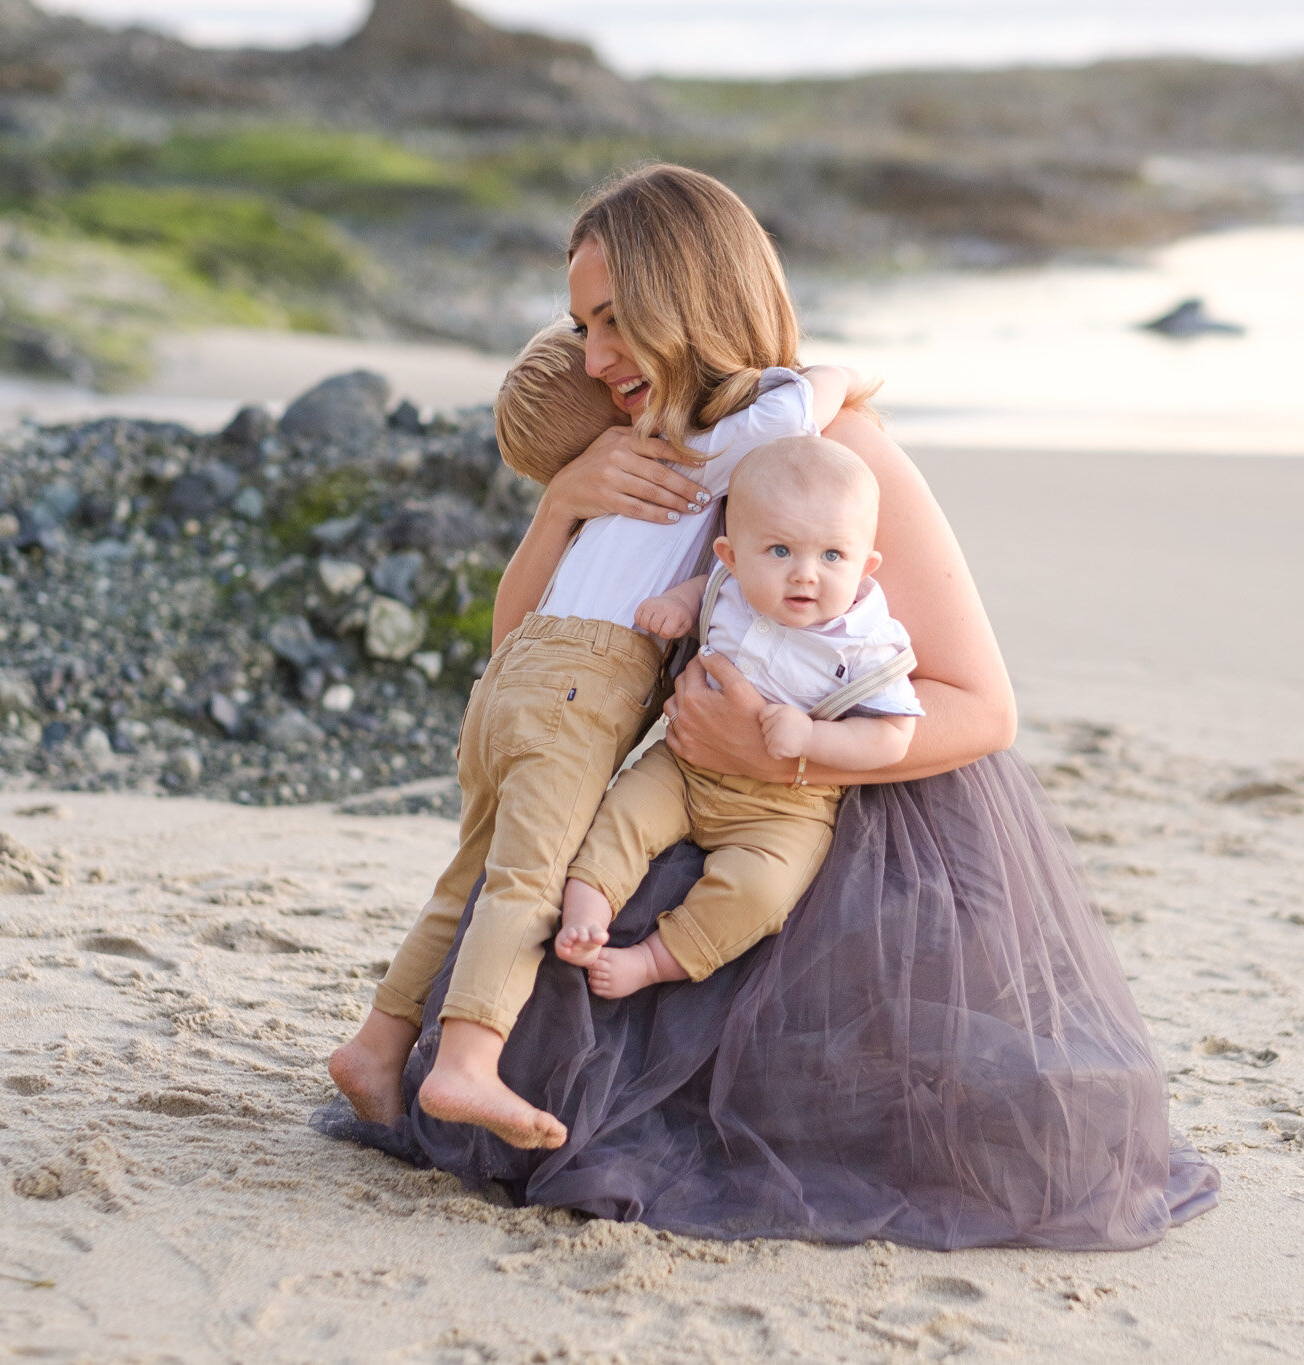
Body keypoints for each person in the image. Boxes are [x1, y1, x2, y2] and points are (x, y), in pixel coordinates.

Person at [317, 163, 1220, 1251]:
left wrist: (788, 752)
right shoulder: (650, 449)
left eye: (613, 324)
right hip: (693, 783)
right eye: (577, 327)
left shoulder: (837, 454)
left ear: (687, 304)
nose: (593, 360)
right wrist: (559, 504)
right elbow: (521, 646)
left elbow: (982, 706)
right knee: (553, 989)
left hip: (856, 805)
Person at [328, 319, 866, 1149]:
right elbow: (800, 403)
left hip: (511, 682)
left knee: (466, 875)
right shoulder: (690, 448)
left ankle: (378, 1042)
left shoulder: (598, 509)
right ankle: (466, 1062)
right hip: (579, 690)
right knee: (529, 881)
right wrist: (848, 377)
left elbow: (514, 626)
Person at [556, 435, 921, 999]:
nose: (805, 575)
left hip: (784, 807)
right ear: (730, 555)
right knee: (622, 812)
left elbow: (893, 738)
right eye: (779, 551)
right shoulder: (729, 587)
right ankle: (587, 906)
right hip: (683, 766)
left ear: (864, 564)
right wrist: (679, 606)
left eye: (832, 556)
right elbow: (705, 590)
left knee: (763, 890)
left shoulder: (865, 644)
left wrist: (814, 737)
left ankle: (654, 961)